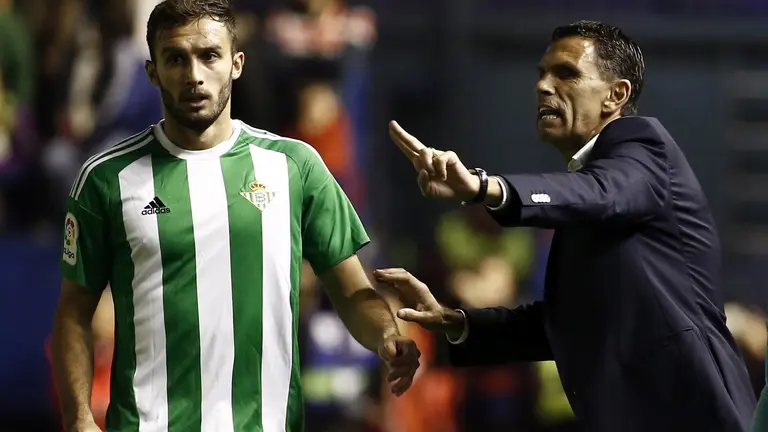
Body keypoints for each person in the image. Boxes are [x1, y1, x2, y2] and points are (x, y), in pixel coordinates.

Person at [50, 1, 421, 432]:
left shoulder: (296, 166)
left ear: (236, 64)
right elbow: (73, 313)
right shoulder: (104, 178)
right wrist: (77, 416)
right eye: (175, 58)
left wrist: (388, 338)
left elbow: (354, 293)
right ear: (152, 72)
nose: (194, 75)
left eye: (209, 55)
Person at [374, 20, 756, 432]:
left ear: (616, 95)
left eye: (566, 73)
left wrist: (483, 187)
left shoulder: (644, 148)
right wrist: (457, 322)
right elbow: (564, 322)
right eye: (541, 73)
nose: (543, 86)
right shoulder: (587, 200)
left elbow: (603, 192)